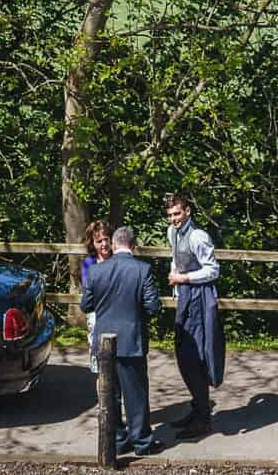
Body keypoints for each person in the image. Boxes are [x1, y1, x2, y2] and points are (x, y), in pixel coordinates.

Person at [81, 224, 163, 457]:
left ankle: (117, 439)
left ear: (115, 244)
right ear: (133, 246)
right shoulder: (142, 269)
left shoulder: (95, 272)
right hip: (132, 339)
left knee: (110, 394)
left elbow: (86, 305)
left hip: (104, 339)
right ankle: (141, 442)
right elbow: (153, 306)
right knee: (136, 394)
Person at [165, 191, 223, 438]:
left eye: (177, 214)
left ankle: (203, 420)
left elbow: (213, 270)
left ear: (187, 211)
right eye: (170, 215)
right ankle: (198, 408)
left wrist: (185, 278)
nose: (173, 219)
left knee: (196, 356)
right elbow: (175, 259)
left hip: (201, 298)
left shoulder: (199, 236)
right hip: (185, 297)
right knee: (184, 353)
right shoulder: (172, 233)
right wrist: (176, 278)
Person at [82, 219, 115, 373]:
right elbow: (88, 292)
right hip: (95, 313)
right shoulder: (89, 263)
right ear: (92, 243)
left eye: (106, 239)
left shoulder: (118, 260)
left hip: (116, 312)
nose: (103, 244)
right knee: (99, 364)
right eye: (98, 241)